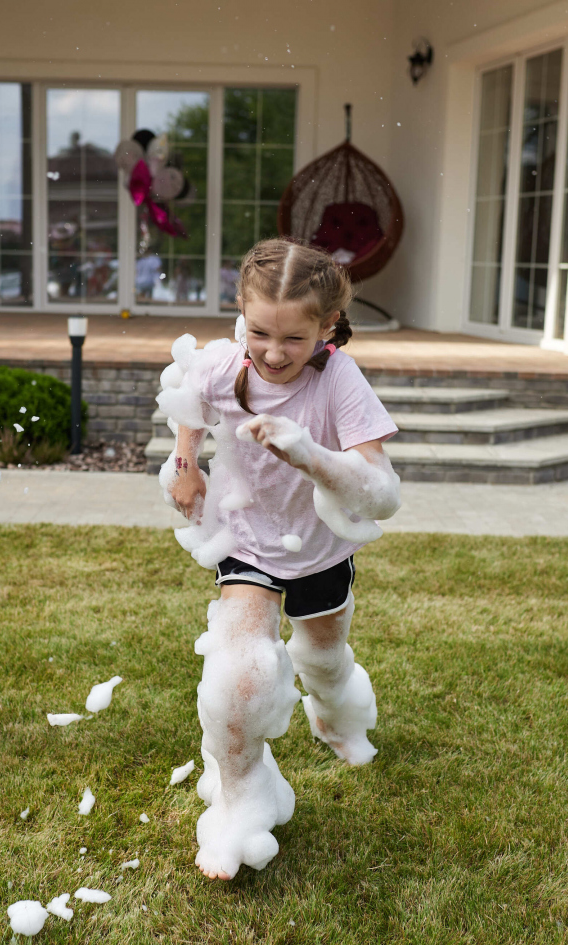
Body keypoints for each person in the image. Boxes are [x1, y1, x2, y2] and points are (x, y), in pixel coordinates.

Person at [161, 238, 401, 880]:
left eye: (293, 339)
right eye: (259, 332)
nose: (272, 353)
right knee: (239, 672)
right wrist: (186, 466)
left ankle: (334, 718)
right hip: (246, 544)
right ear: (242, 312)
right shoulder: (222, 364)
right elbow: (189, 402)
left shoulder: (340, 381)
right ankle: (240, 803)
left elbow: (381, 489)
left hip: (320, 548)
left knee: (322, 660)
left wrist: (308, 454)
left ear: (326, 328)